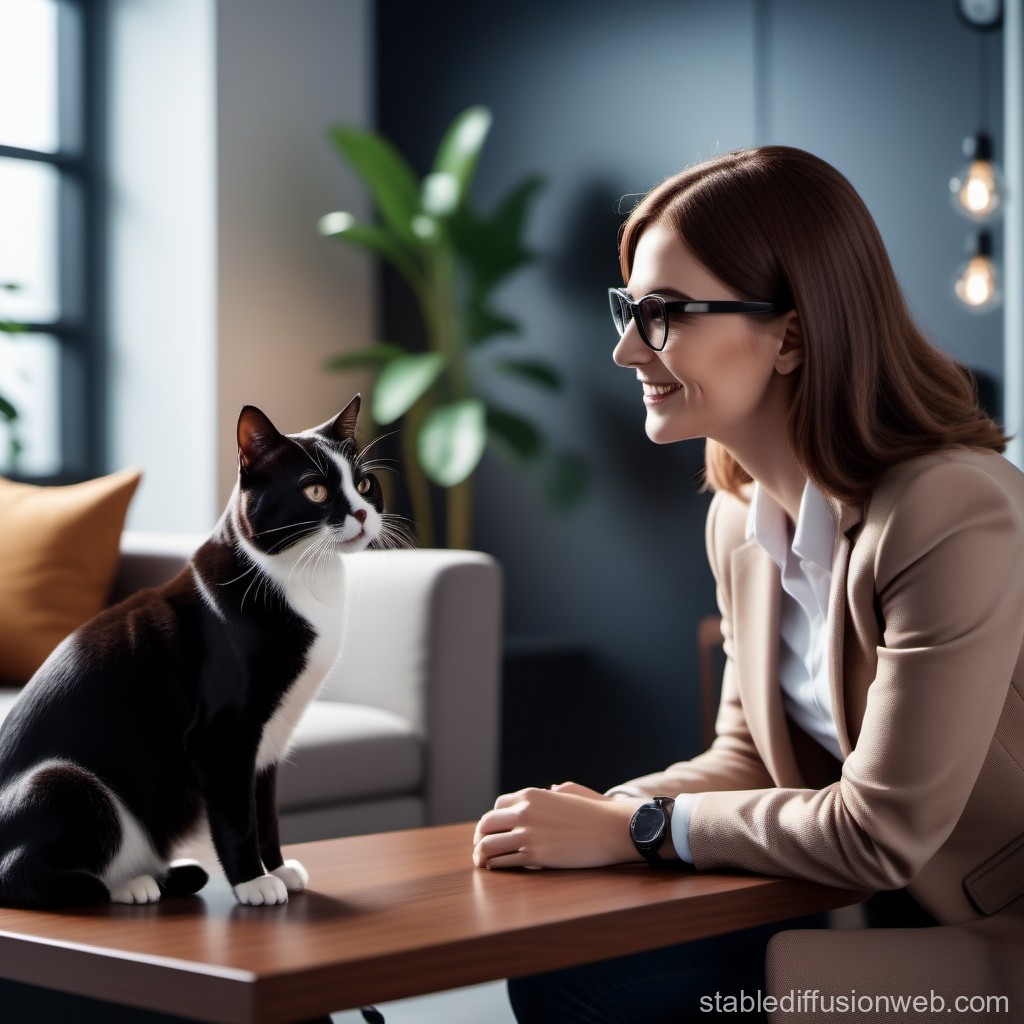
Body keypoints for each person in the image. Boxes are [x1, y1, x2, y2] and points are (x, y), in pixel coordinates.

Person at [473, 146, 1024, 1023]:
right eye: (628, 310)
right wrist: (600, 813)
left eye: (663, 314)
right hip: (866, 906)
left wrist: (635, 832)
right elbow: (746, 760)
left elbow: (879, 831)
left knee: (613, 993)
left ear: (793, 335)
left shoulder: (951, 509)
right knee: (565, 964)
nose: (624, 349)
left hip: (992, 938)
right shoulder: (738, 519)